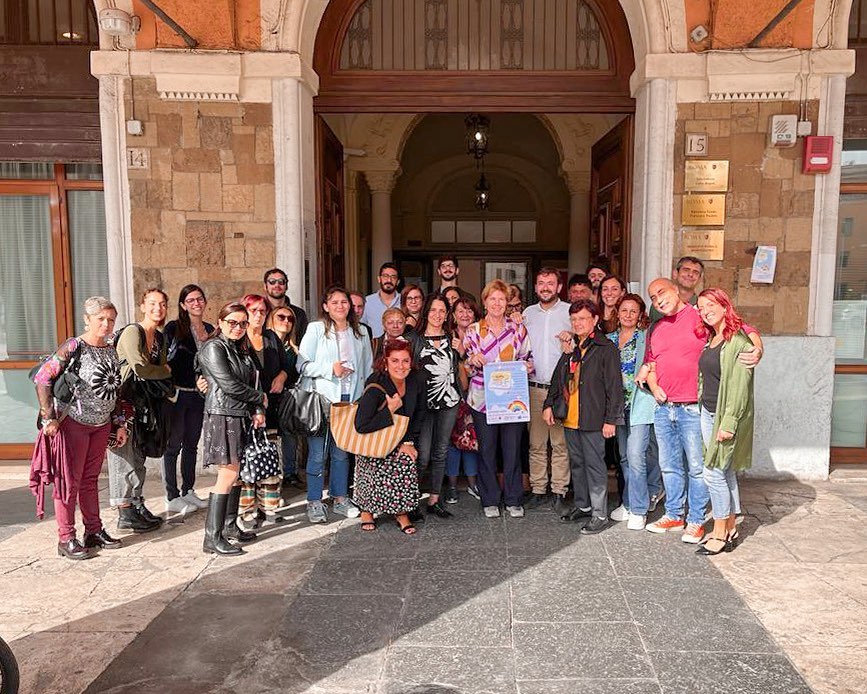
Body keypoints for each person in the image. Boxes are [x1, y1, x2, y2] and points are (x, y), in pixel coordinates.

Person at [639, 278, 763, 543]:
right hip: (663, 408)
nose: (658, 299)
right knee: (669, 466)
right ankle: (674, 514)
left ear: (676, 290)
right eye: (652, 297)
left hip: (695, 408)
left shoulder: (699, 316)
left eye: (661, 292)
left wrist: (758, 347)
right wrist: (653, 384)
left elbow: (741, 328)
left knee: (699, 467)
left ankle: (696, 520)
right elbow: (651, 363)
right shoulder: (656, 328)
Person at [34, 297, 127, 559]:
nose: (107, 325)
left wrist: (118, 423)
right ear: (87, 320)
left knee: (90, 480)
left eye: (111, 320)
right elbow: (43, 378)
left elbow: (115, 389)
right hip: (73, 424)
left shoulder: (111, 349)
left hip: (101, 425)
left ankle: (94, 531)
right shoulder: (75, 346)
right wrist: (48, 417)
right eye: (101, 319)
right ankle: (66, 538)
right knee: (68, 482)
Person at [544, 300, 624, 534]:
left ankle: (599, 515)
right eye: (574, 319)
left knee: (595, 466)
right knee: (577, 464)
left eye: (583, 319)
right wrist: (549, 404)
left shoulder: (605, 348)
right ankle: (583, 505)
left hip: (593, 419)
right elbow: (558, 380)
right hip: (570, 418)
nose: (578, 323)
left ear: (595, 320)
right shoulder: (572, 349)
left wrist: (611, 420)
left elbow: (614, 387)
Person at [298, 286, 373, 523]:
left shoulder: (360, 331)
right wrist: (331, 369)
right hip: (322, 399)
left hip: (349, 401)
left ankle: (340, 497)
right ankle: (314, 500)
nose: (340, 306)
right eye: (335, 302)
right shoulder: (316, 329)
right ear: (325, 306)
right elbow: (302, 365)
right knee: (318, 454)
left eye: (344, 302)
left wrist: (362, 397)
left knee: (341, 454)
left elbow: (367, 367)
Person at [197, 302, 266, 555]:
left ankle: (228, 527)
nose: (237, 328)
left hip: (240, 414)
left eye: (242, 323)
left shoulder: (240, 348)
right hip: (222, 414)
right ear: (220, 322)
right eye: (232, 323)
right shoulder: (214, 347)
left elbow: (252, 380)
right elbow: (228, 384)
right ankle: (211, 537)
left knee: (235, 474)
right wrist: (260, 398)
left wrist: (257, 408)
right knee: (227, 474)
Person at [463, 279, 532, 518]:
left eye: (501, 299)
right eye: (492, 298)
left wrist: (524, 365)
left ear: (507, 303)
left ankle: (513, 499)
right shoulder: (474, 330)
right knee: (488, 449)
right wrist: (472, 361)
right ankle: (489, 499)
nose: (496, 303)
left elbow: (529, 358)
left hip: (512, 399)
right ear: (485, 302)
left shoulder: (518, 329)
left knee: (512, 449)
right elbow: (467, 364)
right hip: (482, 398)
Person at [107, 288, 174, 533]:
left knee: (138, 455)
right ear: (143, 306)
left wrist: (160, 370)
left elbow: (152, 368)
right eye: (153, 303)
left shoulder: (160, 337)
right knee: (123, 455)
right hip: (121, 402)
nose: (158, 308)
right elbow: (140, 368)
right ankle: (124, 510)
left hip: (144, 404)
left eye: (163, 304)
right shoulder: (132, 332)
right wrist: (166, 371)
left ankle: (136, 503)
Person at [695, 288, 755, 555]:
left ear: (723, 306)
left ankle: (718, 532)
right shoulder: (713, 337)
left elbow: (741, 388)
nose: (705, 310)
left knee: (713, 473)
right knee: (725, 471)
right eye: (700, 307)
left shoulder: (739, 341)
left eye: (710, 305)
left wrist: (728, 423)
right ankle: (730, 526)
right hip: (708, 411)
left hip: (724, 417)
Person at [353, 340, 426, 535]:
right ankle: (366, 510)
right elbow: (362, 425)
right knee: (370, 466)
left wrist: (408, 442)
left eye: (405, 361)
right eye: (395, 361)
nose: (400, 366)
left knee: (406, 460)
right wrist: (390, 410)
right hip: (373, 439)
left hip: (401, 438)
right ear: (385, 362)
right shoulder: (376, 382)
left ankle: (401, 512)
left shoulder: (416, 380)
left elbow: (418, 414)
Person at [606, 294, 662, 530]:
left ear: (640, 315)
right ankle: (630, 502)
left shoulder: (646, 338)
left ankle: (638, 509)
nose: (628, 315)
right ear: (617, 313)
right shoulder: (608, 340)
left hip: (641, 403)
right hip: (618, 407)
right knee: (626, 457)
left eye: (633, 311)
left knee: (637, 456)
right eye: (624, 310)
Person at [238, 294, 291, 528]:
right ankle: (247, 511)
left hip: (271, 409)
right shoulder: (238, 339)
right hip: (244, 411)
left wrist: (281, 376)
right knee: (247, 463)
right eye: (253, 310)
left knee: (269, 459)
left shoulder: (270, 338)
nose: (258, 315)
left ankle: (269, 507)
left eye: (262, 311)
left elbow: (287, 366)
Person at [522, 268, 572, 514]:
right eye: (541, 283)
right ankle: (538, 489)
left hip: (562, 388)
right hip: (534, 387)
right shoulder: (527, 314)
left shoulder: (570, 312)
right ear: (535, 287)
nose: (545, 287)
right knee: (536, 443)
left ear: (558, 287)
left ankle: (559, 490)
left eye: (550, 283)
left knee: (560, 444)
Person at [162, 284, 213, 515]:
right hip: (179, 394)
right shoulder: (174, 328)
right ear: (183, 305)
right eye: (190, 300)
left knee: (192, 444)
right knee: (173, 446)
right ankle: (171, 496)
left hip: (199, 395)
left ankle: (188, 490)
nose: (196, 303)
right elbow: (166, 358)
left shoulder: (210, 329)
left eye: (199, 299)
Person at [414, 294, 462, 518]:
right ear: (426, 312)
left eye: (442, 311)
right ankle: (411, 499)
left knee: (441, 451)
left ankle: (434, 498)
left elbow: (459, 367)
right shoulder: (414, 339)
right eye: (433, 310)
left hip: (449, 400)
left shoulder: (453, 338)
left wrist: (460, 352)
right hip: (422, 404)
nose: (437, 315)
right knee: (422, 454)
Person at [444, 296, 482, 502]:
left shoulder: (480, 334)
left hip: (475, 393)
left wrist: (463, 353)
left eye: (469, 310)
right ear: (453, 315)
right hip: (450, 394)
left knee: (471, 438)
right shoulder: (446, 335)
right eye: (460, 311)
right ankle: (450, 485)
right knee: (451, 440)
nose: (465, 315)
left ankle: (472, 483)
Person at [270, 305, 303, 487]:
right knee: (270, 439)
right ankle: (272, 476)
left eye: (290, 319)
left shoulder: (295, 349)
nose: (286, 321)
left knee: (290, 437)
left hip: (289, 397)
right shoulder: (265, 342)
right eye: (281, 317)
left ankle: (290, 473)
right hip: (268, 397)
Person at [649, 256, 705, 322]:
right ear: (675, 274)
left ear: (699, 279)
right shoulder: (660, 304)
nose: (690, 274)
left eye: (695, 272)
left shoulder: (702, 306)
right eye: (686, 270)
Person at [263, 267, 309, 341]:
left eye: (281, 282)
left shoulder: (299, 313)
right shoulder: (259, 312)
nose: (277, 285)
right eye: (272, 282)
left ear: (286, 286)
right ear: (265, 286)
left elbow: (303, 342)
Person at [362, 262, 401, 338]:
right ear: (379, 279)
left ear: (398, 282)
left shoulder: (405, 301)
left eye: (393, 277)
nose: (389, 280)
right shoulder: (367, 302)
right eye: (385, 276)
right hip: (374, 348)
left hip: (401, 348)